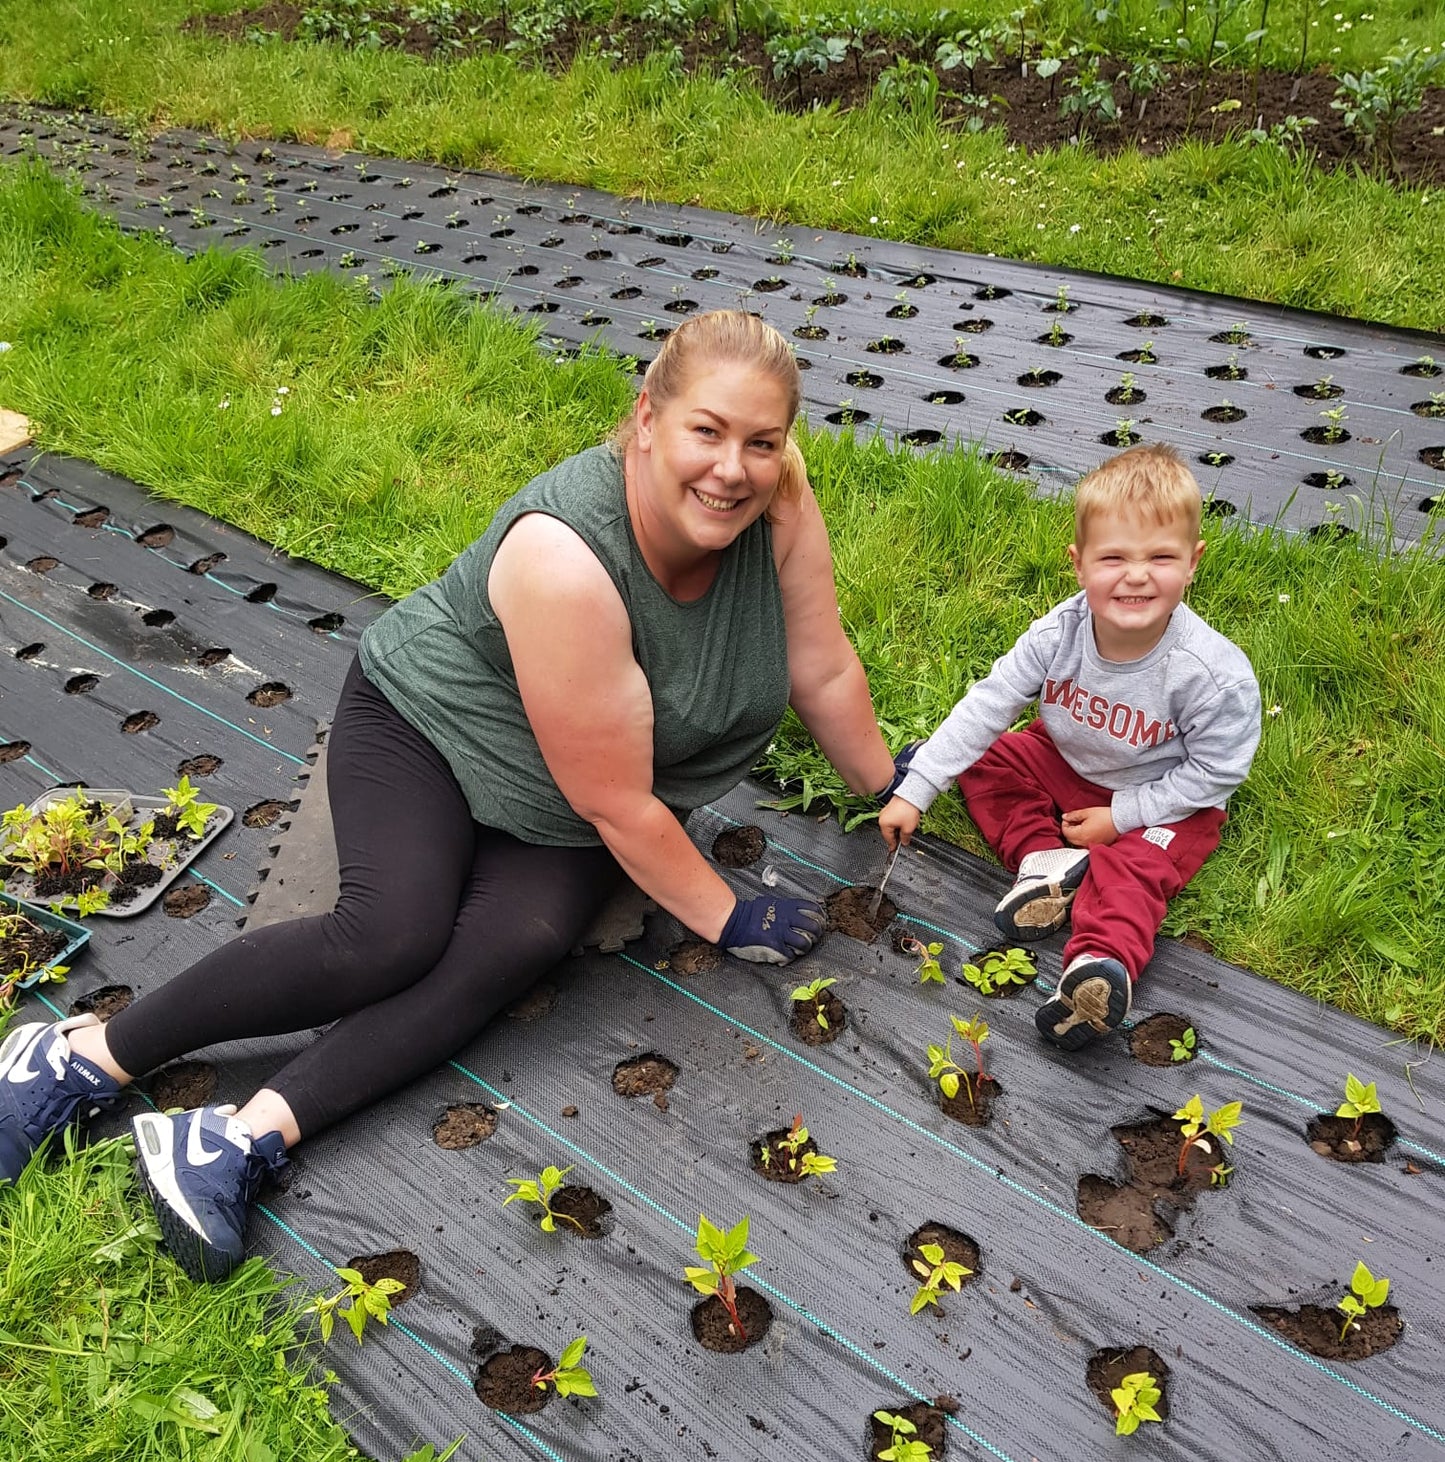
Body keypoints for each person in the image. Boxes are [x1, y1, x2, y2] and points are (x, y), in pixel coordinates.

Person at [0, 311, 912, 1278]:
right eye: (707, 431)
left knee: (509, 946)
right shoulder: (566, 555)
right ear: (645, 418)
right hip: (431, 724)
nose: (733, 467)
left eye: (761, 442)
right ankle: (77, 1059)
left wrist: (893, 785)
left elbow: (819, 665)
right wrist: (727, 914)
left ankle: (230, 1140)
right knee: (388, 934)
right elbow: (617, 806)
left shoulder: (776, 506)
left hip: (565, 779)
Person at [879, 443, 1260, 1050]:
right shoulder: (1060, 632)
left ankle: (1098, 967)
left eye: (1160, 557)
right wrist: (919, 787)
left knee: (1134, 869)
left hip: (1165, 797)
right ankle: (1045, 863)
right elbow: (991, 701)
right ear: (1078, 564)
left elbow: (1217, 773)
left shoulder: (1211, 674)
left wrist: (1122, 818)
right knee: (985, 754)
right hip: (1065, 761)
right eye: (1114, 557)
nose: (1136, 575)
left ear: (1193, 562)